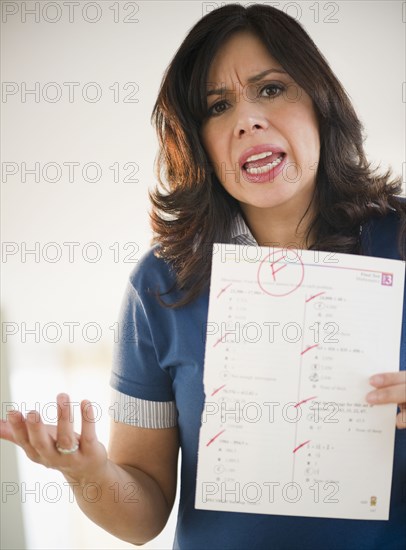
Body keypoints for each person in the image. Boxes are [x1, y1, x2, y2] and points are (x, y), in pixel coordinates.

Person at [1, 4, 405, 549]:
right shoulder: (161, 283)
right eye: (218, 106)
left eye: (271, 89)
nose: (247, 120)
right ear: (198, 143)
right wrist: (88, 472)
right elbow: (141, 517)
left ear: (321, 104)